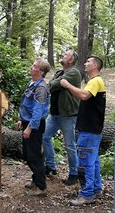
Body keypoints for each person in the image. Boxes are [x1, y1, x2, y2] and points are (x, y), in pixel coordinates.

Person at [60, 56, 106, 206]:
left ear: (95, 66)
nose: (85, 63)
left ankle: (87, 194)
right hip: (92, 129)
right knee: (94, 161)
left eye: (88, 62)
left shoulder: (95, 81)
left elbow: (84, 96)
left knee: (86, 162)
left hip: (90, 129)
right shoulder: (95, 82)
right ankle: (96, 188)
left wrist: (67, 85)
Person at [42, 50, 82, 185]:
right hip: (54, 114)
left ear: (70, 60)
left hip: (68, 115)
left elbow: (54, 84)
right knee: (45, 137)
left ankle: (74, 173)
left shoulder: (74, 72)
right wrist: (56, 83)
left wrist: (56, 83)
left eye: (65, 55)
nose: (62, 56)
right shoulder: (60, 72)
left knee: (70, 145)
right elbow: (50, 86)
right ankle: (51, 166)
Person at [17, 58, 51, 196]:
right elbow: (26, 103)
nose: (31, 67)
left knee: (34, 155)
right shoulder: (32, 83)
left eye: (34, 66)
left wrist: (30, 127)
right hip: (28, 122)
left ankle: (41, 187)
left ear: (41, 72)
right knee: (28, 154)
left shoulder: (41, 88)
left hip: (34, 125)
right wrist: (22, 120)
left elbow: (38, 110)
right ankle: (36, 179)